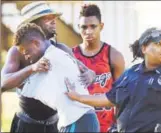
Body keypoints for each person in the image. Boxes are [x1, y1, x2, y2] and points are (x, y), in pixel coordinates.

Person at [1, 1, 95, 132]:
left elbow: (88, 71)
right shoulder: (18, 52)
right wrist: (32, 68)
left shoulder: (61, 49)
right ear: (33, 24)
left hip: (55, 124)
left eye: (53, 18)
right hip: (27, 124)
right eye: (47, 19)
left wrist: (90, 75)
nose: (54, 21)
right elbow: (3, 83)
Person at [66, 27, 161, 132]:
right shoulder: (130, 74)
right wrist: (78, 97)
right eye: (158, 44)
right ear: (144, 48)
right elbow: (109, 99)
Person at [15, 23, 100, 132]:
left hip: (77, 121)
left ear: (35, 43)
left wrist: (31, 69)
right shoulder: (58, 55)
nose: (27, 57)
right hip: (80, 120)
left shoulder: (49, 60)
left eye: (27, 52)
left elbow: (21, 87)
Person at [72, 4, 125, 132]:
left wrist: (119, 125)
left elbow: (121, 96)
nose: (88, 31)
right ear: (79, 28)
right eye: (84, 27)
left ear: (101, 26)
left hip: (107, 126)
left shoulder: (114, 55)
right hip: (78, 123)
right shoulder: (71, 56)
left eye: (93, 26)